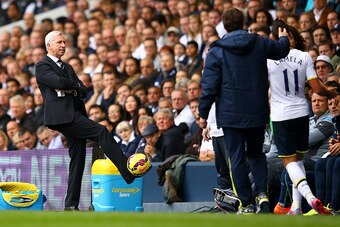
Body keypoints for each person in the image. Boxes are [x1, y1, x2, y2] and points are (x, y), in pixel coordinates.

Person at [35, 31, 151, 211]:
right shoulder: (42, 65)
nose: (63, 45)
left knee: (78, 158)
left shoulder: (68, 67)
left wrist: (71, 87)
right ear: (48, 45)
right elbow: (59, 82)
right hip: (64, 117)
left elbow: (84, 91)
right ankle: (126, 172)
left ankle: (71, 204)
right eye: (59, 42)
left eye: (64, 42)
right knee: (101, 131)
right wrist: (72, 86)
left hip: (76, 114)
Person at [198, 8, 290, 214]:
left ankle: (247, 203)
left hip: (230, 116)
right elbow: (280, 50)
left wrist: (203, 114)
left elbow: (209, 86)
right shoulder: (258, 42)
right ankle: (262, 195)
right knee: (256, 154)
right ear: (243, 22)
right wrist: (284, 38)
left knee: (237, 158)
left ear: (224, 25)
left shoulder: (216, 50)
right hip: (256, 111)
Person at [267, 20, 337, 215]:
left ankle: (310, 198)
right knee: (298, 160)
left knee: (289, 163)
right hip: (301, 113)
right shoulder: (304, 56)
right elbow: (316, 88)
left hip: (281, 115)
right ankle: (296, 208)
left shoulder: (268, 59)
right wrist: (330, 92)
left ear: (274, 38)